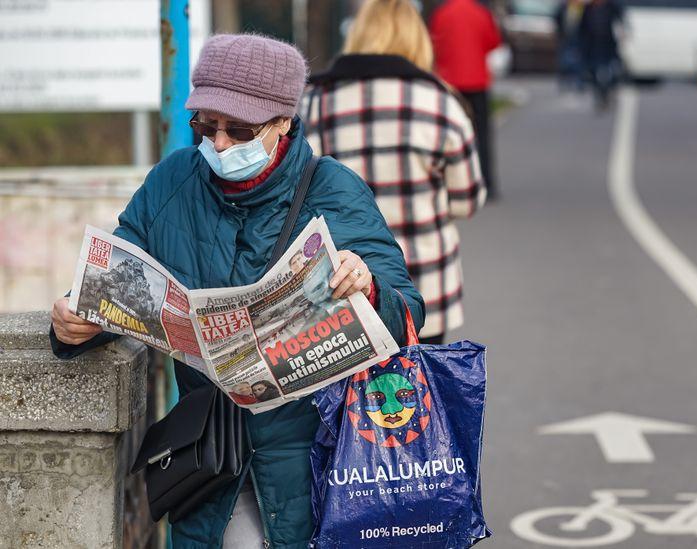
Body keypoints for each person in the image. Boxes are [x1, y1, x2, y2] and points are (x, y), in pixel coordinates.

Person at [49, 33, 424, 549]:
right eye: (205, 125)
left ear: (284, 123)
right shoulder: (174, 180)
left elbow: (407, 312)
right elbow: (117, 273)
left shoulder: (334, 189)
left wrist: (369, 285)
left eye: (240, 130)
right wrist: (74, 322)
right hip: (211, 459)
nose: (219, 144)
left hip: (317, 463)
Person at [303, 0, 486, 345]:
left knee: (345, 397)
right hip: (424, 284)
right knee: (415, 393)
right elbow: (467, 200)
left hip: (341, 285)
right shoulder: (439, 102)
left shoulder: (314, 100)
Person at [429, 0, 502, 199]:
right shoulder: (481, 12)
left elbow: (435, 44)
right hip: (477, 80)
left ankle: (450, 185)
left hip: (450, 82)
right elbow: (493, 41)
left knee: (448, 136)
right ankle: (487, 182)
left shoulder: (442, 13)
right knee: (482, 135)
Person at [578, 0, 625, 111]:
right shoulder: (588, 8)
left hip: (608, 46)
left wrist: (622, 33)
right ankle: (600, 96)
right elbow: (581, 28)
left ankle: (607, 93)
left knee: (610, 72)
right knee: (593, 73)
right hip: (592, 47)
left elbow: (620, 22)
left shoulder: (611, 6)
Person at [555, 0, 586, 94]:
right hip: (565, 37)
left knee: (579, 61)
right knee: (563, 60)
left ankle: (579, 83)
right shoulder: (564, 7)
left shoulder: (582, 8)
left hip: (578, 38)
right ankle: (564, 81)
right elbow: (558, 19)